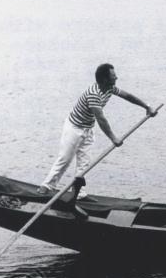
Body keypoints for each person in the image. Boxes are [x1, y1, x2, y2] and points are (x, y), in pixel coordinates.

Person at [39, 63, 156, 193]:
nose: (116, 78)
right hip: (74, 128)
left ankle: (77, 193)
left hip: (88, 128)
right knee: (65, 159)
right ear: (105, 79)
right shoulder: (93, 94)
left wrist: (147, 106)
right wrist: (113, 138)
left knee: (84, 164)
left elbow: (128, 96)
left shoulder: (110, 88)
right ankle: (46, 186)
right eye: (113, 76)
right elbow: (101, 119)